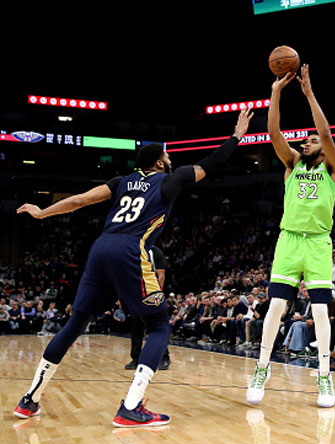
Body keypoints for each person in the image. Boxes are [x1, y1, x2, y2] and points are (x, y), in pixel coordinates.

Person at [13, 108, 254, 426]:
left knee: (75, 324)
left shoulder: (122, 181)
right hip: (131, 250)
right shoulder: (171, 179)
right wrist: (237, 136)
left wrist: (42, 213)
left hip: (101, 248)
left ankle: (30, 400)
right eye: (166, 156)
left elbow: (79, 200)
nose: (169, 160)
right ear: (158, 162)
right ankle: (131, 406)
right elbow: (212, 163)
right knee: (159, 327)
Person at [247, 65, 335, 408]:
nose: (306, 141)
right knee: (275, 305)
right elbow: (274, 132)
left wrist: (308, 94)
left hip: (318, 243)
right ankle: (262, 367)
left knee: (319, 311)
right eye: (305, 139)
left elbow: (327, 136)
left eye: (311, 139)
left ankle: (324, 375)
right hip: (289, 240)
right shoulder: (292, 164)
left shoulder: (333, 169)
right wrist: (275, 93)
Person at [124, 246, 171, 370]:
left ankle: (164, 358)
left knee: (156, 328)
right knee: (136, 328)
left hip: (151, 295)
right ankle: (135, 358)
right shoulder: (133, 251)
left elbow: (161, 274)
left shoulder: (155, 252)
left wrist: (156, 294)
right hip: (136, 294)